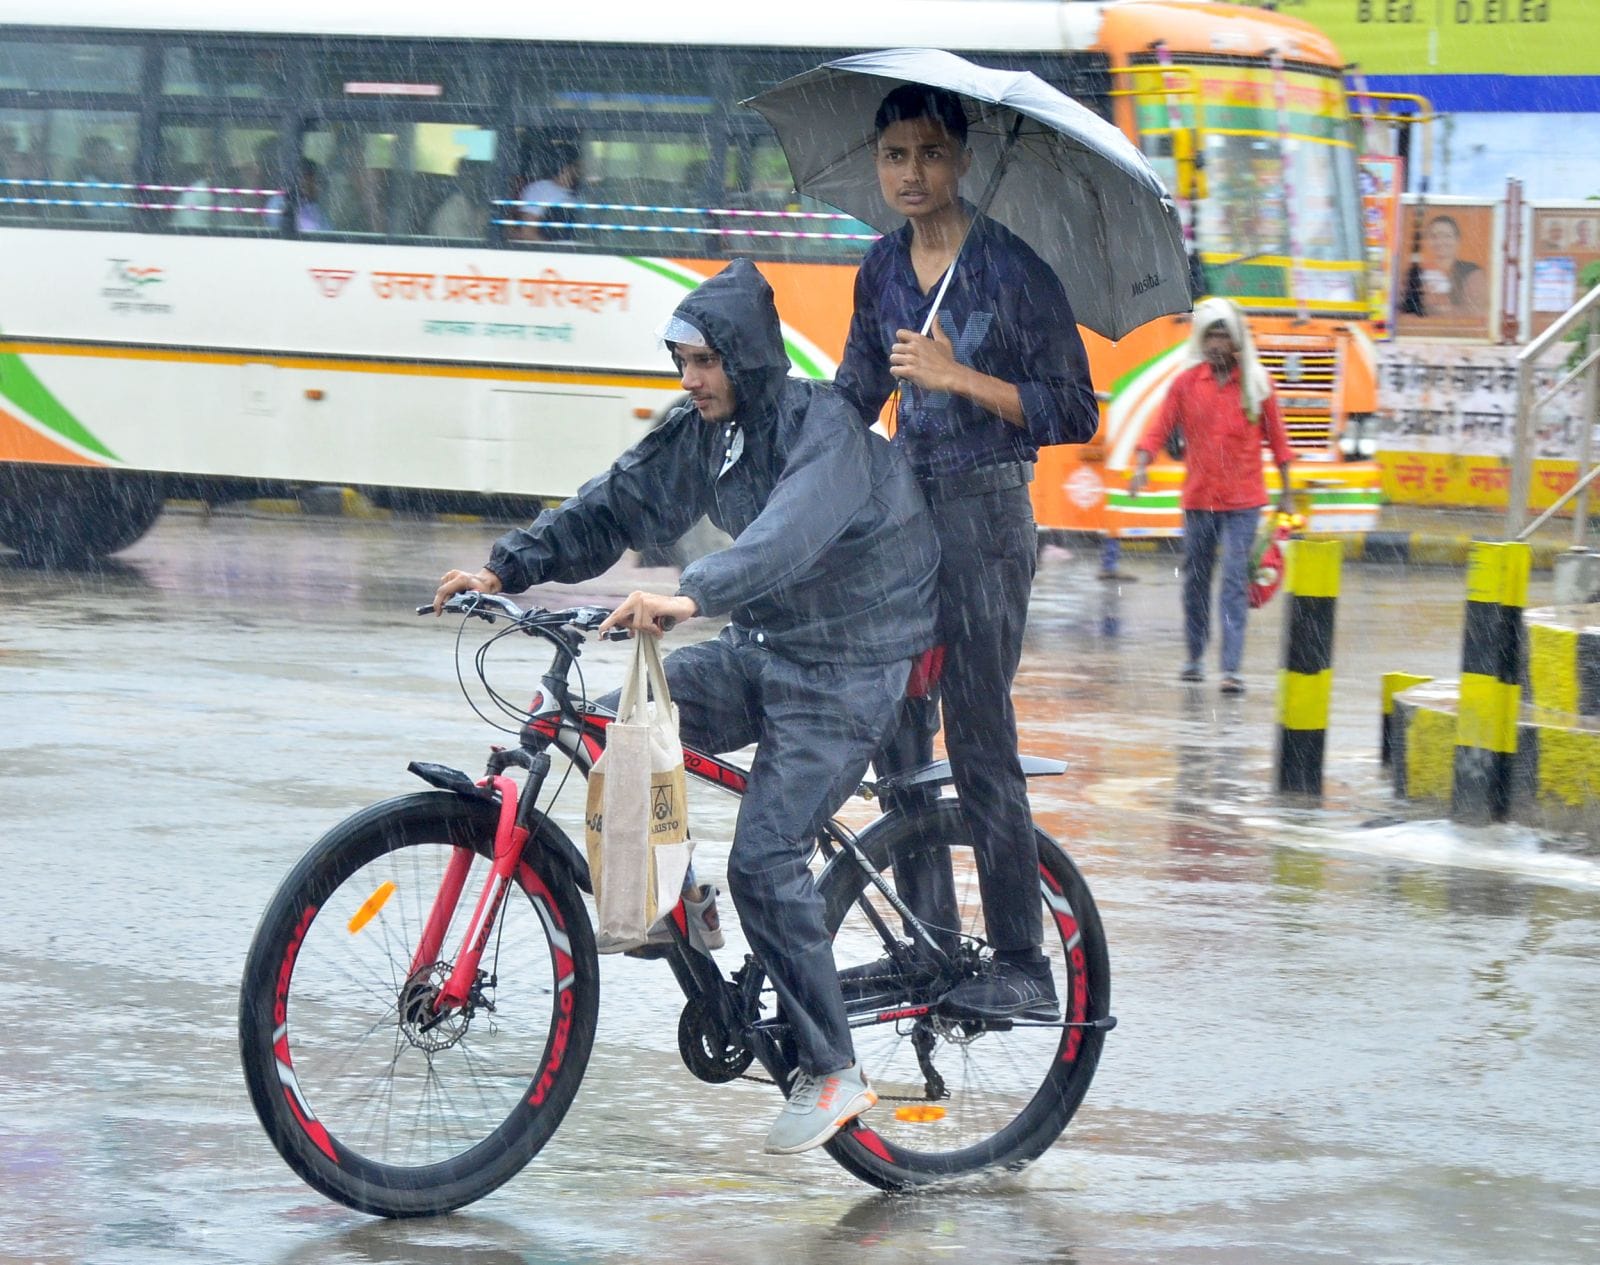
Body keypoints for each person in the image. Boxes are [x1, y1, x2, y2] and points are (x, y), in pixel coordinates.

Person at [432, 258, 940, 1155]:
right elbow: (614, 501)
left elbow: (792, 528)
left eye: (705, 362)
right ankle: (678, 892)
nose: (690, 379)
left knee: (767, 857)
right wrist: (503, 567)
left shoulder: (822, 426)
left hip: (854, 661)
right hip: (772, 644)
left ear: (745, 358)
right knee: (625, 730)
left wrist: (691, 594)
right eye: (681, 361)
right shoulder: (705, 433)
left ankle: (833, 1068)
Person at [832, 85, 1099, 1021]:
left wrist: (959, 377)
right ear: (878, 164)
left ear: (963, 161)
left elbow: (1073, 408)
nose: (913, 173)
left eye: (931, 154)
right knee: (896, 730)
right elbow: (855, 394)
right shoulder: (880, 271)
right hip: (907, 516)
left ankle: (1023, 961)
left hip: (987, 518)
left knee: (979, 731)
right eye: (896, 155)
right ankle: (931, 944)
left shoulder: (1012, 270)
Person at [1129, 297, 1292, 695]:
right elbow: (1158, 427)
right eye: (1211, 337)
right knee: (1196, 581)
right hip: (1199, 500)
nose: (1217, 344)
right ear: (1202, 341)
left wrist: (1288, 492)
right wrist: (1141, 465)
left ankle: (1231, 669)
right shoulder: (1185, 385)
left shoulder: (1257, 386)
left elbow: (1279, 442)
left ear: (1236, 343)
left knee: (1234, 580)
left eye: (1224, 337)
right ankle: (1194, 656)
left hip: (1244, 502)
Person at [513, 138, 582, 242]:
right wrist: (557, 250)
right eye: (577, 166)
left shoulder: (580, 192)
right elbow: (527, 232)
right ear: (566, 167)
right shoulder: (540, 190)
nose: (581, 171)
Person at [1420, 214, 1488, 318]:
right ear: (1427, 241)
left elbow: (1479, 312)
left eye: (1447, 236)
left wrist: (1442, 310)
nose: (1440, 242)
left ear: (1457, 240)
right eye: (1434, 236)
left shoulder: (1472, 272)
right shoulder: (1419, 273)